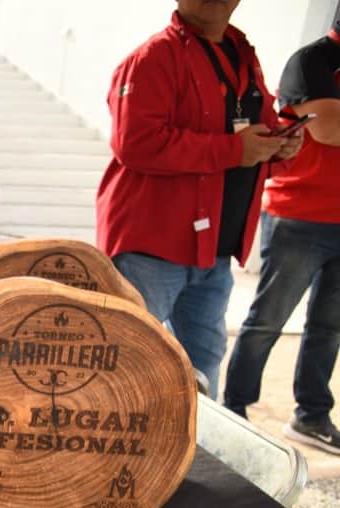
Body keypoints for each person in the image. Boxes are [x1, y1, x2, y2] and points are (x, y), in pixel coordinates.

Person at [96, 0, 300, 399]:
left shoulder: (243, 55)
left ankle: (194, 458)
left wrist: (277, 147)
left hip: (213, 251)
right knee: (129, 369)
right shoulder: (151, 58)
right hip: (151, 248)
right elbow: (134, 143)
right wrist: (232, 151)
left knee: (202, 371)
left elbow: (249, 134)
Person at [224, 20, 340, 453]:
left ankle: (310, 415)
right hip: (299, 217)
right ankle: (234, 411)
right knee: (266, 323)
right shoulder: (313, 61)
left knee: (329, 328)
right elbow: (328, 129)